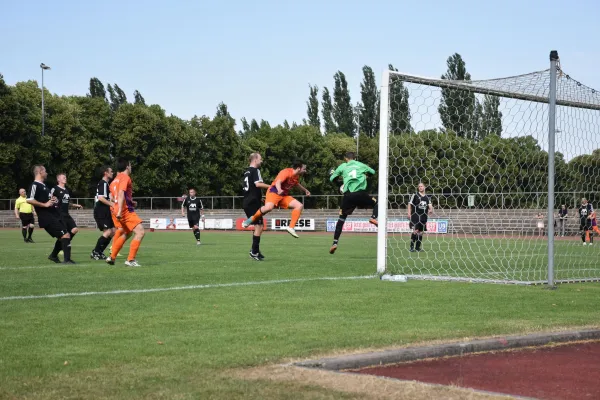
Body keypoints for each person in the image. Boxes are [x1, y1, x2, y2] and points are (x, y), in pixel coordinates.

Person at [242, 160, 310, 238]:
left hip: (283, 195)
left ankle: (291, 227)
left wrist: (305, 190)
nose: (305, 171)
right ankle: (252, 219)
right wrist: (279, 189)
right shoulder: (286, 172)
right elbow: (278, 182)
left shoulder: (296, 176)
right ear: (298, 168)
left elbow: (296, 184)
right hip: (274, 192)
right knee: (269, 208)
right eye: (304, 169)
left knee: (299, 206)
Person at [328, 152, 378, 254]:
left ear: (345, 158)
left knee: (341, 220)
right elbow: (373, 172)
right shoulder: (361, 165)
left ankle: (335, 243)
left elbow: (332, 178)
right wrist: (366, 173)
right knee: (378, 203)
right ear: (354, 158)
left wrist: (335, 175)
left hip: (348, 196)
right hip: (361, 194)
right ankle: (373, 217)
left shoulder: (343, 166)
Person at [26, 165, 74, 264]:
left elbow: (48, 200)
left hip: (54, 215)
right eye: (45, 171)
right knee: (65, 235)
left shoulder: (44, 186)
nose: (46, 173)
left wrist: (53, 200)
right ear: (40, 172)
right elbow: (29, 199)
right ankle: (67, 260)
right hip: (46, 217)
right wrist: (44, 204)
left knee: (65, 235)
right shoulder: (35, 185)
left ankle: (54, 256)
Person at [107, 158, 145, 267]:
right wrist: (120, 210)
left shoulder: (114, 180)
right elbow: (120, 193)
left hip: (117, 209)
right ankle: (130, 260)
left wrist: (130, 202)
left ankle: (112, 257)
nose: (131, 167)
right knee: (140, 232)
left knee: (126, 233)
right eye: (131, 165)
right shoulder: (125, 177)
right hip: (124, 211)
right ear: (127, 166)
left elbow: (113, 197)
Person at [242, 152, 270, 260]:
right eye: (260, 159)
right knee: (259, 226)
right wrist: (271, 187)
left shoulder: (246, 172)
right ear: (255, 160)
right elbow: (258, 184)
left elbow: (251, 188)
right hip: (252, 202)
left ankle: (255, 250)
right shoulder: (255, 170)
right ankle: (254, 252)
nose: (261, 161)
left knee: (258, 226)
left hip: (248, 201)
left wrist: (259, 197)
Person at [51, 173, 83, 248]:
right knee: (64, 234)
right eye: (63, 177)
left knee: (74, 229)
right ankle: (61, 247)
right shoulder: (55, 189)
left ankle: (64, 244)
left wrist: (76, 205)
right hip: (59, 214)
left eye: (65, 177)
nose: (65, 178)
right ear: (58, 179)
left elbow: (67, 202)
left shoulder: (67, 190)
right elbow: (49, 198)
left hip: (66, 214)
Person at [91, 166, 116, 260]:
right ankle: (96, 252)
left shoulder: (107, 184)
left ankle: (100, 252)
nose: (112, 173)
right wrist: (112, 204)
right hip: (101, 210)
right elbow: (101, 198)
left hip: (105, 210)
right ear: (106, 173)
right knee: (108, 231)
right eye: (111, 171)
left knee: (113, 231)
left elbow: (110, 198)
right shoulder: (103, 183)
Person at [408, 182, 433, 252]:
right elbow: (410, 204)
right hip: (415, 216)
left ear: (424, 187)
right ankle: (411, 247)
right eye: (419, 186)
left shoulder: (427, 197)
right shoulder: (415, 195)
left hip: (424, 217)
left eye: (421, 186)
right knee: (415, 231)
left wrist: (431, 210)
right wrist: (409, 213)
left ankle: (417, 247)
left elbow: (430, 205)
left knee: (421, 232)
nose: (420, 187)